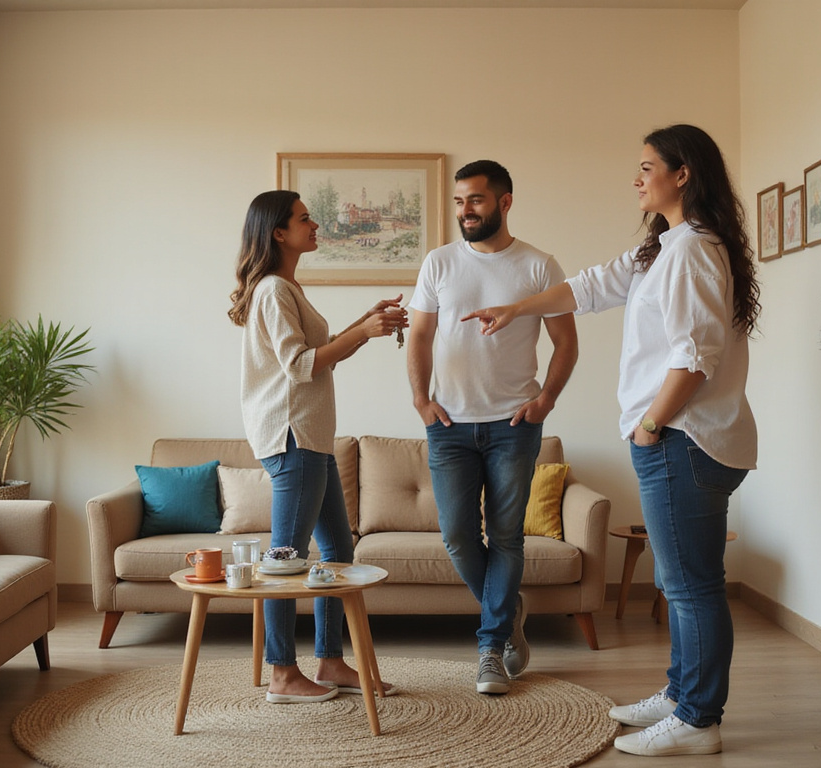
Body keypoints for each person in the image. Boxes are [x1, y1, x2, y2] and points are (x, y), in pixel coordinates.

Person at [462, 125, 759, 755]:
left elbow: (695, 356)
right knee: (685, 582)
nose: (637, 178)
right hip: (677, 439)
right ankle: (681, 694)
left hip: (682, 438)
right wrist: (518, 309)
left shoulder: (694, 250)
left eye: (647, 166)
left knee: (690, 586)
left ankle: (699, 719)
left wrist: (651, 425)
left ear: (682, 175)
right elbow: (589, 286)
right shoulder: (665, 248)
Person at [406, 160, 578, 695]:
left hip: (513, 424)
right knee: (458, 537)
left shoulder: (539, 266)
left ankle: (490, 647)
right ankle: (509, 606)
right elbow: (419, 337)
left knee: (505, 537)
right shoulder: (439, 262)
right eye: (459, 202)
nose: (465, 211)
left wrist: (545, 400)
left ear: (504, 202)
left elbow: (567, 343)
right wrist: (421, 401)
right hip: (449, 425)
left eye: (476, 200)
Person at [229, 189, 405, 703]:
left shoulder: (287, 286)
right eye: (305, 219)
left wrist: (363, 325)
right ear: (278, 232)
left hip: (311, 440)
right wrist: (364, 333)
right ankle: (283, 673)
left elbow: (313, 353)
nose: (316, 225)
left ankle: (329, 661)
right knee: (285, 559)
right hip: (293, 438)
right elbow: (300, 366)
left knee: (338, 551)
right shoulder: (273, 291)